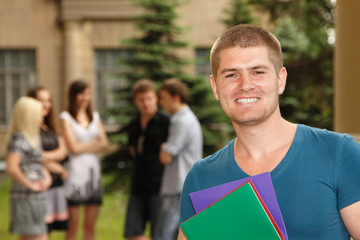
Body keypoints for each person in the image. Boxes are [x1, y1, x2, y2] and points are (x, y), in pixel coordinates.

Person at [178, 24, 360, 240]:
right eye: (231, 75)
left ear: (280, 80)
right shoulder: (200, 178)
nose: (245, 85)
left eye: (257, 72)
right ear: (215, 87)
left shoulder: (340, 153)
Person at [60, 79, 109, 240]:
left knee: (90, 226)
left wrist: (83, 146)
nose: (85, 97)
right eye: (82, 93)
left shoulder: (94, 116)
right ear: (74, 96)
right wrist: (95, 143)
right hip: (75, 176)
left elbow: (105, 143)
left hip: (93, 176)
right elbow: (73, 148)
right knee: (72, 227)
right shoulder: (66, 117)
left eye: (88, 93)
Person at [154, 78, 203, 240]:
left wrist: (163, 146)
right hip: (185, 183)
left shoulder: (180, 120)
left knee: (165, 233)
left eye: (163, 98)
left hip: (177, 185)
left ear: (176, 98)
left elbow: (166, 157)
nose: (160, 102)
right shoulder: (189, 117)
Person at [124, 79, 170, 240]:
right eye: (141, 99)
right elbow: (132, 151)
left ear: (156, 98)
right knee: (132, 232)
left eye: (149, 99)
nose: (146, 103)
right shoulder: (133, 124)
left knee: (160, 234)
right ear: (135, 101)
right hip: (138, 185)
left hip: (160, 186)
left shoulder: (166, 122)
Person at [5, 96, 52, 240]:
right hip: (27, 199)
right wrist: (31, 186)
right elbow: (12, 167)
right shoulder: (21, 139)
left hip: (35, 199)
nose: (42, 115)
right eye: (38, 113)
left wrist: (47, 178)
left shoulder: (32, 139)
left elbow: (37, 164)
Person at [27, 85, 69, 237]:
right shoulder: (29, 128)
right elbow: (33, 157)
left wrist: (48, 159)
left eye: (48, 100)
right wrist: (59, 168)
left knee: (47, 231)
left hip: (56, 186)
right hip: (40, 184)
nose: (46, 104)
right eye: (41, 100)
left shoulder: (50, 126)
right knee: (37, 232)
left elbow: (63, 152)